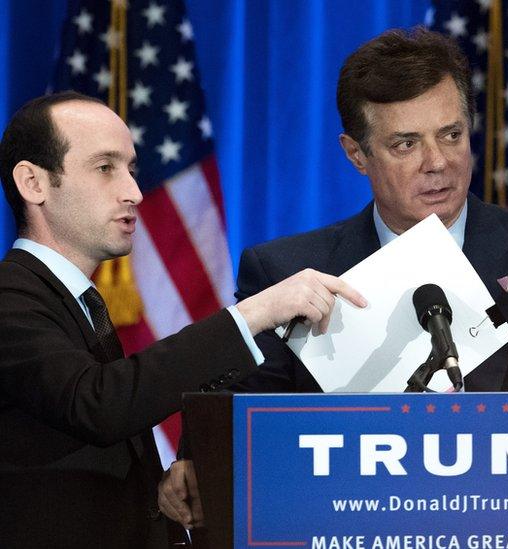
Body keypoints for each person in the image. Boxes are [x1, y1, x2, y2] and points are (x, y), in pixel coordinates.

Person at [158, 27, 508, 528]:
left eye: (451, 135)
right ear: (355, 154)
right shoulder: (287, 271)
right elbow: (235, 420)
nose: (439, 163)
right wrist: (197, 466)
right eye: (406, 145)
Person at [0, 92, 365, 548]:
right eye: (104, 168)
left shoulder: (75, 302)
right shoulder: (11, 298)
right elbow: (100, 404)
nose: (134, 191)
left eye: (131, 169)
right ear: (33, 182)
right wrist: (255, 313)